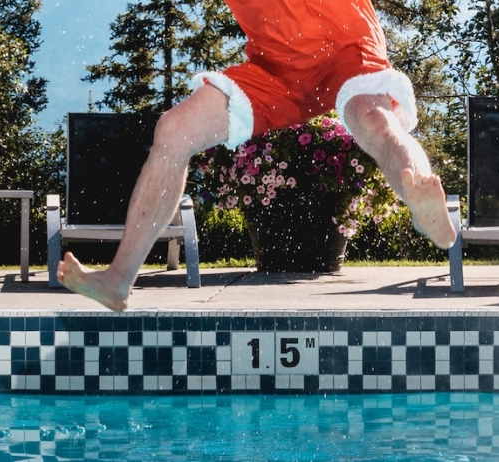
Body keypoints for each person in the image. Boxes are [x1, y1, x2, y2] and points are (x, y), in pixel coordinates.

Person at [58, 0, 456, 311]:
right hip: (276, 69)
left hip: (346, 47)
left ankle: (422, 204)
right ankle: (118, 280)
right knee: (173, 131)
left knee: (372, 120)